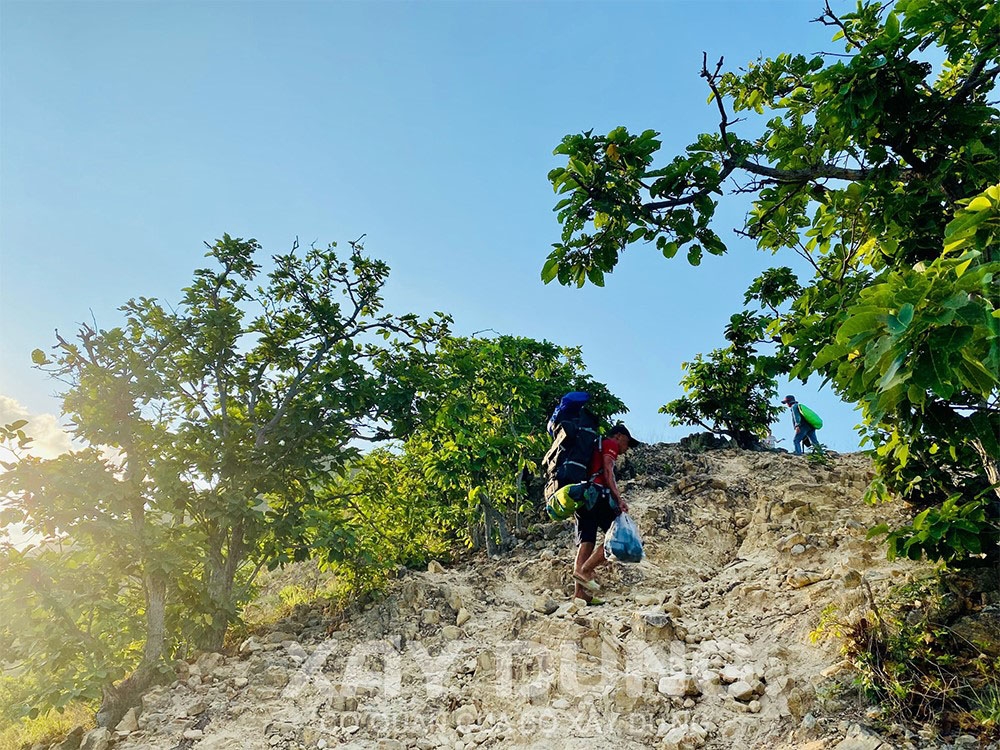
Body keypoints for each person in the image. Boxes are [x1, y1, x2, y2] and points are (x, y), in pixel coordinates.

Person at [572, 423, 640, 603]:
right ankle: (585, 570)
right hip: (598, 496)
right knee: (616, 535)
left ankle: (581, 594)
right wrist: (619, 498)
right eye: (627, 443)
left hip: (583, 495)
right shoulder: (610, 444)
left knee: (586, 541)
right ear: (618, 436)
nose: (626, 448)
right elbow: (608, 472)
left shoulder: (594, 445)